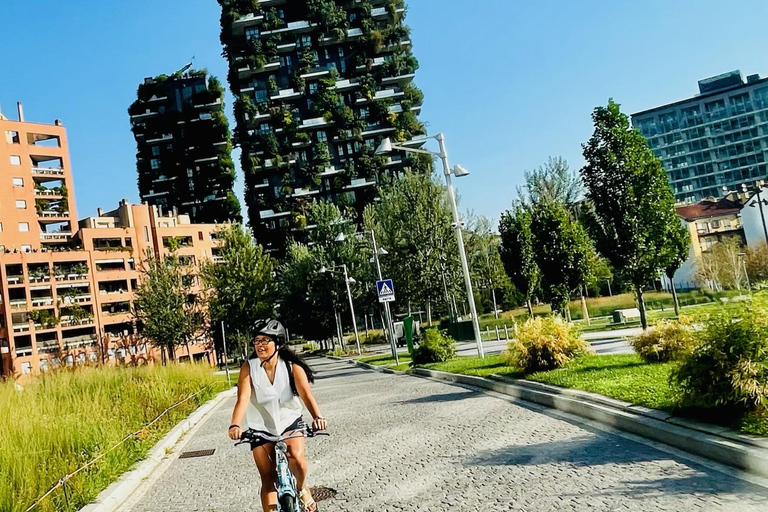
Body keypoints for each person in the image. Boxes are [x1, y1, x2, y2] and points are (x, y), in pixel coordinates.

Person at [228, 319, 327, 512]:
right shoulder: (249, 367)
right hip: (260, 428)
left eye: (265, 340)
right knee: (267, 478)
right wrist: (235, 425)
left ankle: (301, 487)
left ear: (278, 343)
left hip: (290, 423)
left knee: (296, 458)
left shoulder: (291, 367)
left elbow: (306, 394)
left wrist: (318, 417)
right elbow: (243, 398)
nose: (260, 345)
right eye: (257, 341)